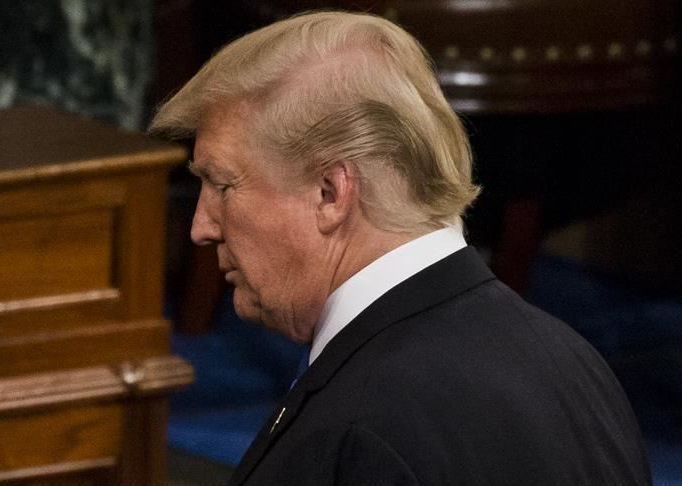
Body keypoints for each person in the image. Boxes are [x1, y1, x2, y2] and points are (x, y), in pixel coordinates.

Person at [149, 11, 651, 485]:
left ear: (330, 193)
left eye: (222, 185)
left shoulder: (357, 433)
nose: (201, 227)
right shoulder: (576, 364)